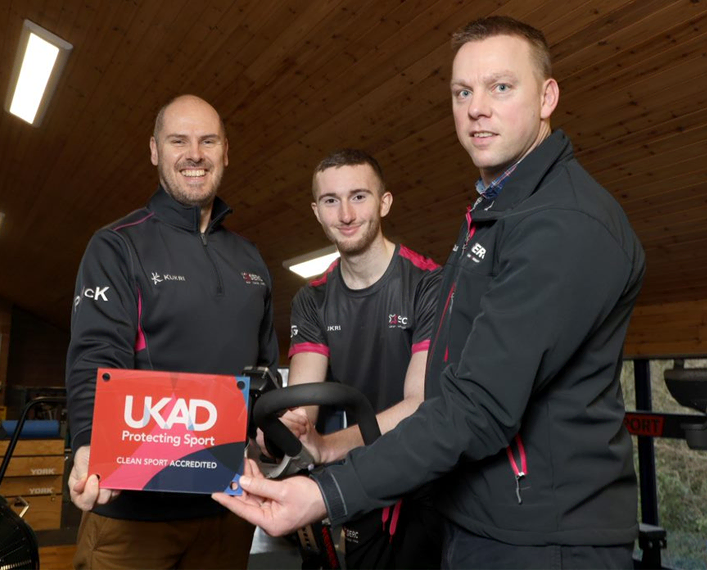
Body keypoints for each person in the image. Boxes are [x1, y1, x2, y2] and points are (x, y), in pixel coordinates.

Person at [215, 16, 645, 570]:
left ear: (547, 96)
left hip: (542, 538)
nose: (476, 108)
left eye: (501, 87)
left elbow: (475, 406)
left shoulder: (564, 223)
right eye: (463, 92)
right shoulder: (495, 215)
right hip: (477, 519)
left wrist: (329, 490)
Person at [66, 94, 279, 569]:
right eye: (178, 140)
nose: (195, 154)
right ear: (154, 150)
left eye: (208, 141)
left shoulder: (251, 259)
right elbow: (95, 354)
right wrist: (86, 441)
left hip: (228, 508)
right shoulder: (118, 245)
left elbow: (264, 369)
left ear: (225, 150)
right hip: (133, 513)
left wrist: (271, 429)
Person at [281, 149, 443, 568]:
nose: (346, 214)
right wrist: (282, 431)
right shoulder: (312, 298)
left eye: (359, 196)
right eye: (331, 201)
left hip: (421, 480)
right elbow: (302, 405)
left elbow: (420, 405)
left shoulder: (429, 283)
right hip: (353, 486)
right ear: (317, 212)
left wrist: (328, 447)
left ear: (384, 202)